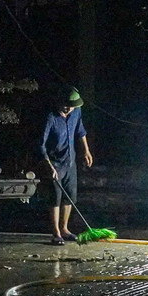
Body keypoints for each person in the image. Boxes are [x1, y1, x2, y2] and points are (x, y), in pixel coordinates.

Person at [40, 88, 93, 245]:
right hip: (54, 161)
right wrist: (49, 166)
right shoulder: (51, 117)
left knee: (70, 195)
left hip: (70, 159)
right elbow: (41, 145)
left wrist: (86, 151)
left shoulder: (76, 112)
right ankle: (56, 233)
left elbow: (80, 131)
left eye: (72, 106)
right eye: (66, 106)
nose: (68, 109)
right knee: (55, 197)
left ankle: (65, 228)